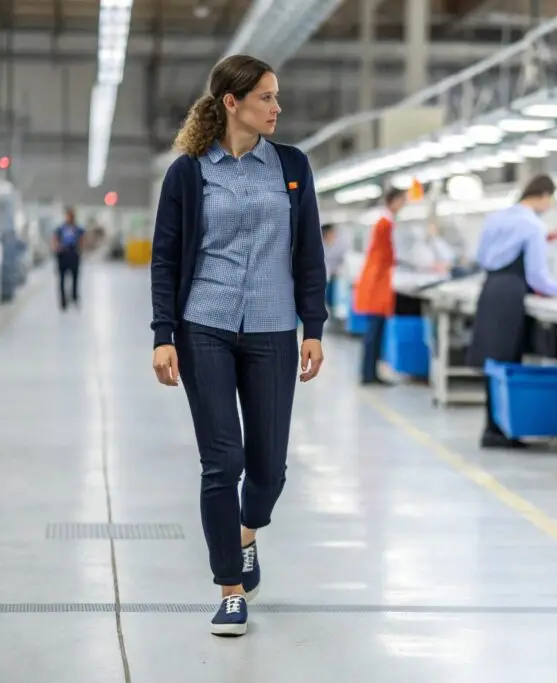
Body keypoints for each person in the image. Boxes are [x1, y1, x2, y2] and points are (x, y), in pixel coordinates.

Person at [148, 54, 327, 637]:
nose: (277, 107)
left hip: (274, 328)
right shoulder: (189, 172)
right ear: (232, 102)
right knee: (223, 462)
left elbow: (309, 251)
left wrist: (314, 326)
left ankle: (246, 533)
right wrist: (163, 335)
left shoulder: (292, 167)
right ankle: (229, 589)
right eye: (266, 97)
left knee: (269, 470)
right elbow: (166, 257)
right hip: (205, 325)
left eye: (276, 97)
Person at [466, 174, 557, 449]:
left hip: (490, 289)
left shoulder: (495, 219)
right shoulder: (533, 226)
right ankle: (500, 430)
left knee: (492, 361)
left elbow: (482, 258)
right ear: (544, 195)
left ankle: (493, 427)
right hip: (512, 292)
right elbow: (537, 276)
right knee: (508, 358)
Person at [353, 187, 407, 386]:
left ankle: (371, 373)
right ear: (394, 200)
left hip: (378, 282)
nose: (404, 204)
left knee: (376, 333)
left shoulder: (384, 221)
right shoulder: (384, 222)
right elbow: (386, 255)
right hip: (376, 285)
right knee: (374, 333)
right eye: (402, 200)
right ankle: (368, 374)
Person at [51, 207, 85, 310]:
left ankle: (74, 296)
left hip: (73, 254)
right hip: (63, 254)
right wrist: (57, 248)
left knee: (75, 278)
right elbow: (55, 239)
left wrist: (80, 250)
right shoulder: (60, 229)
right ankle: (63, 300)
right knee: (62, 278)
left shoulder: (78, 228)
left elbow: (82, 239)